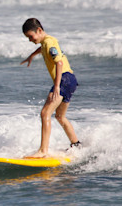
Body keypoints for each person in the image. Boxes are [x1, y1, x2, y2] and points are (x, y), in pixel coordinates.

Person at [20, 18, 81, 158]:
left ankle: (43, 150)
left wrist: (57, 86)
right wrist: (32, 55)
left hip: (64, 79)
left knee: (45, 113)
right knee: (60, 116)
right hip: (71, 79)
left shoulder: (48, 42)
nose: (30, 40)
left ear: (39, 30)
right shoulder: (47, 41)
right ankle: (76, 144)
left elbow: (59, 63)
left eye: (31, 36)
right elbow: (42, 48)